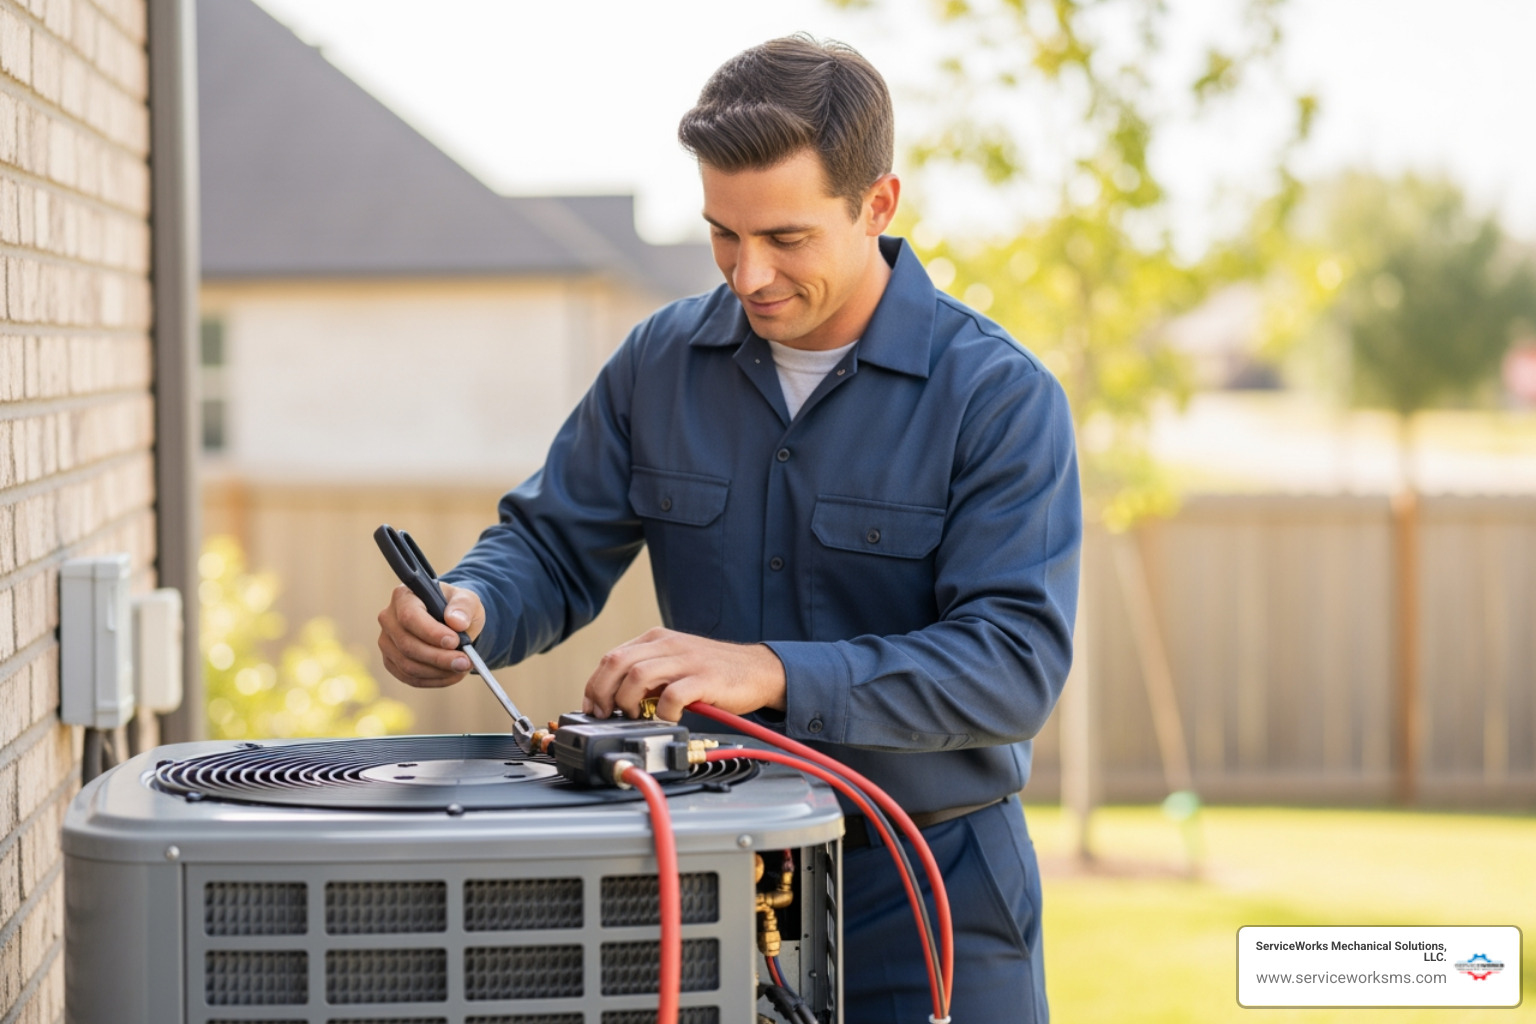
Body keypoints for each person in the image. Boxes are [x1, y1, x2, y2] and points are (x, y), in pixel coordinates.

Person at [377, 34, 1080, 1024]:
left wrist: (774, 669)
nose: (748, 276)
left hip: (933, 891)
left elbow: (1013, 663)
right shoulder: (658, 364)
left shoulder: (999, 399)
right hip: (705, 882)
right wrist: (470, 604)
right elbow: (548, 544)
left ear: (878, 205)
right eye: (723, 234)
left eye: (786, 238)